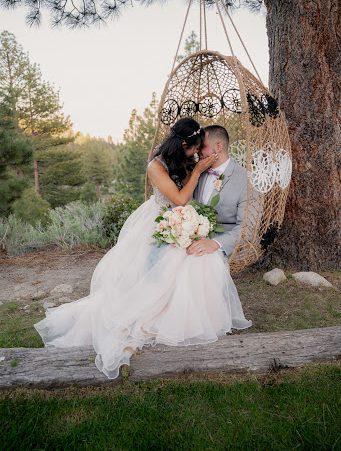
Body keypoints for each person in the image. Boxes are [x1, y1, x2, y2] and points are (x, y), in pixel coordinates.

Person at [34, 118, 252, 380]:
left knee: (187, 263)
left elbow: (238, 221)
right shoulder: (164, 166)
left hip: (186, 223)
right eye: (194, 149)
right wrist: (193, 188)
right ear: (184, 145)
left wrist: (203, 233)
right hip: (161, 222)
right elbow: (182, 199)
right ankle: (146, 317)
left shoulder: (217, 170)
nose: (197, 154)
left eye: (200, 149)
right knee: (160, 267)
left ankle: (181, 317)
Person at [188, 125, 248, 258]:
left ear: (218, 146)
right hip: (192, 239)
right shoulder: (197, 172)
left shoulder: (246, 180)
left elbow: (247, 228)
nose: (198, 151)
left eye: (202, 146)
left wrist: (215, 244)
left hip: (223, 246)